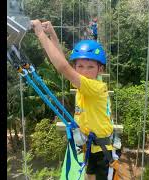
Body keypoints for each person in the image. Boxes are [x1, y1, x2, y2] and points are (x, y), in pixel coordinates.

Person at [31, 20, 114, 180]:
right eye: (80, 67)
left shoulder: (95, 87)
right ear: (75, 68)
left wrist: (41, 35)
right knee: (88, 175)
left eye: (90, 67)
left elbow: (63, 67)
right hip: (90, 146)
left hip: (102, 150)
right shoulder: (82, 84)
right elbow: (64, 62)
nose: (84, 71)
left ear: (100, 70)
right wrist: (52, 34)